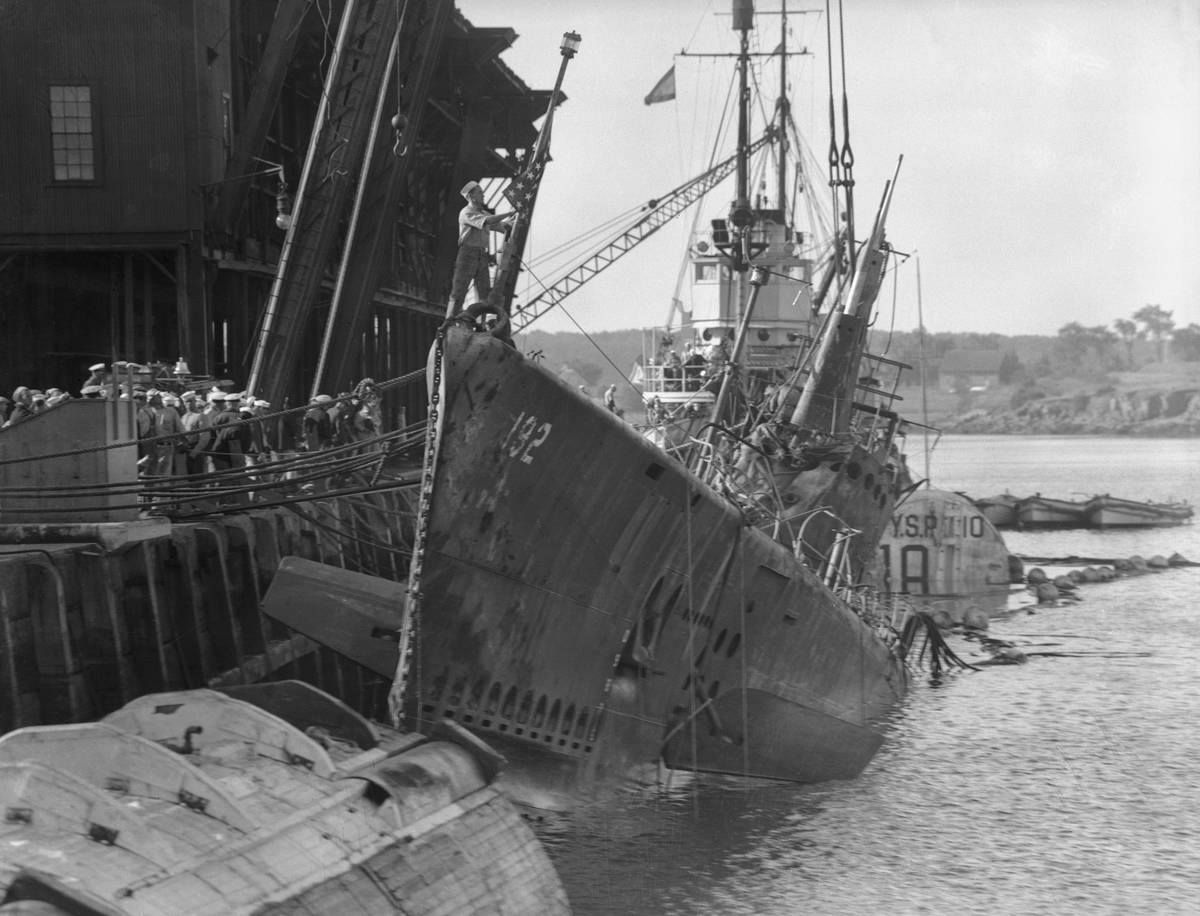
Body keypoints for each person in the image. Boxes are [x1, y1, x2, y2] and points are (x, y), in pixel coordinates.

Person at [447, 180, 514, 317]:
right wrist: (509, 214)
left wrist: (513, 222)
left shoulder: (483, 213)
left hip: (481, 255)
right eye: (480, 193)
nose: (483, 195)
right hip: (467, 255)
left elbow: (501, 227)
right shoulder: (466, 213)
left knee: (484, 295)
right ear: (472, 197)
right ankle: (449, 323)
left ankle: (481, 325)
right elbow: (488, 222)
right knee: (458, 293)